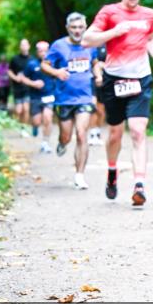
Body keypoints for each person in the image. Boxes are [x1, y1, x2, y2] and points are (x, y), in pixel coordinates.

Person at [82, 0, 153, 207]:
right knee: (116, 133)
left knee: (138, 131)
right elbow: (87, 40)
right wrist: (115, 32)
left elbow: (150, 36)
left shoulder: (148, 14)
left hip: (140, 78)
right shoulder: (109, 12)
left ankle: (140, 185)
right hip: (114, 79)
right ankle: (111, 172)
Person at [42, 13, 98, 189]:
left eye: (81, 27)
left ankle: (79, 175)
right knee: (66, 136)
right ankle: (62, 143)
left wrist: (98, 74)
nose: (77, 31)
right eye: (74, 27)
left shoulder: (90, 44)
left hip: (84, 97)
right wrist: (57, 72)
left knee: (82, 134)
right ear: (68, 28)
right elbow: (45, 65)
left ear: (85, 27)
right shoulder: (58, 45)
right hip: (64, 98)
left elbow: (95, 62)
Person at [26, 41, 56, 154]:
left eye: (45, 51)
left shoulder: (53, 63)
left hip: (49, 95)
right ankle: (34, 127)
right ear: (37, 52)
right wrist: (33, 83)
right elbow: (23, 78)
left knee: (48, 118)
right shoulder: (31, 64)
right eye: (40, 51)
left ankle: (45, 142)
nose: (43, 53)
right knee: (37, 121)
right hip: (35, 97)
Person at [8, 39, 32, 133]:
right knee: (18, 110)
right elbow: (9, 71)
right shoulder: (15, 59)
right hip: (17, 88)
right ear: (20, 47)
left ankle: (24, 128)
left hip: (28, 88)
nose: (24, 47)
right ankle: (19, 124)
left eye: (25, 45)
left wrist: (29, 81)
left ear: (29, 46)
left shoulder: (32, 60)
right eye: (22, 45)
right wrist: (15, 78)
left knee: (26, 109)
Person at [88, 45, 107, 146]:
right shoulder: (91, 46)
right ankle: (92, 134)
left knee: (101, 110)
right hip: (92, 81)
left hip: (105, 81)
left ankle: (97, 133)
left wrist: (103, 65)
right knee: (93, 107)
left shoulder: (110, 44)